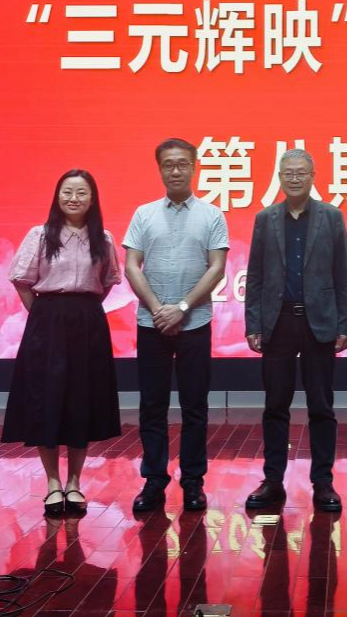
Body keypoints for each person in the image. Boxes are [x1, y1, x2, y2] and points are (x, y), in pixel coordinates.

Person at [2, 169, 123, 518]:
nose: (74, 198)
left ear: (92, 199)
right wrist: (44, 314)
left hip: (88, 322)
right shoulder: (40, 235)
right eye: (67, 191)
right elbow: (22, 280)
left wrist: (82, 309)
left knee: (80, 401)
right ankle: (53, 482)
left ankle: (74, 482)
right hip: (47, 321)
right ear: (57, 196)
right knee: (47, 400)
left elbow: (108, 281)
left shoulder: (103, 238)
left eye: (81, 193)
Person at [244, 148, 347, 512]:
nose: (294, 178)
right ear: (279, 177)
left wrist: (344, 323)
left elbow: (342, 273)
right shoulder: (266, 218)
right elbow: (255, 275)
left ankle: (323, 481)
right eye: (288, 173)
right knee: (275, 405)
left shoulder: (331, 216)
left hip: (318, 322)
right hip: (277, 322)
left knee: (321, 406)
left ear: (312, 177)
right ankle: (272, 480)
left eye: (300, 173)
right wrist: (253, 323)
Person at [124, 138, 228, 513]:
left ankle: (193, 481)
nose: (176, 170)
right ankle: (154, 480)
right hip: (151, 324)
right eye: (168, 164)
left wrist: (181, 308)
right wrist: (158, 309)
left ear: (194, 167)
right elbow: (131, 265)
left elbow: (217, 268)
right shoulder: (144, 214)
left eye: (183, 163)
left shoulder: (212, 215)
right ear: (160, 169)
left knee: (194, 406)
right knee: (152, 405)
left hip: (195, 323)